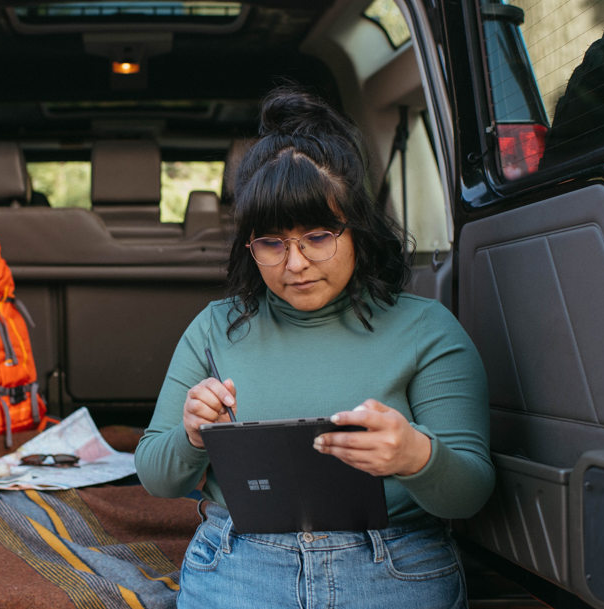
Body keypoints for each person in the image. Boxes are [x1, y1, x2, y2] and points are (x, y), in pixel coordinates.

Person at [134, 87, 494, 609]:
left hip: (395, 568)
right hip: (240, 565)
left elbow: (472, 492)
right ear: (248, 246)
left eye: (318, 236)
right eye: (271, 243)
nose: (295, 263)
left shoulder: (427, 329)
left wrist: (417, 456)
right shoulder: (215, 330)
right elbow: (156, 476)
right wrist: (192, 434)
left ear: (357, 230)